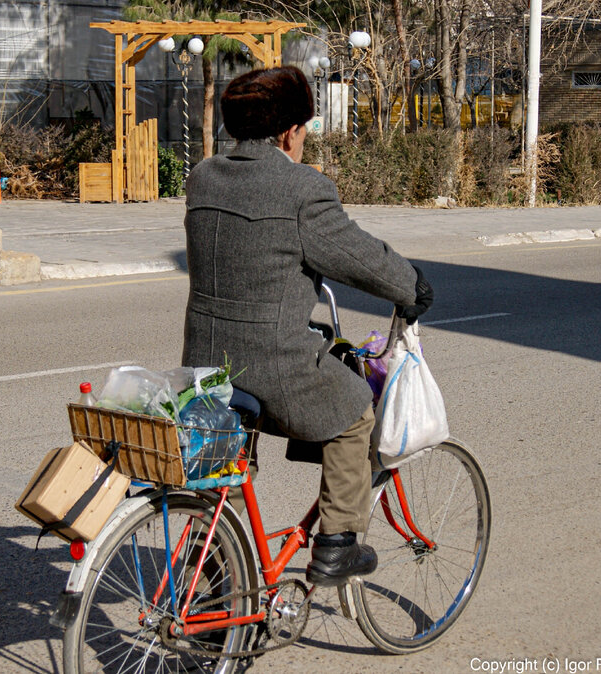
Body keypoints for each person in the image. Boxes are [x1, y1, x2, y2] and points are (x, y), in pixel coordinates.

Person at [180, 66, 433, 587]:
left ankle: (208, 569)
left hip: (207, 363)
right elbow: (356, 255)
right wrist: (410, 286)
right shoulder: (300, 188)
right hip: (273, 367)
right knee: (353, 409)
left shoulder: (203, 176)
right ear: (289, 131)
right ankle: (337, 543)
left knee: (220, 472)